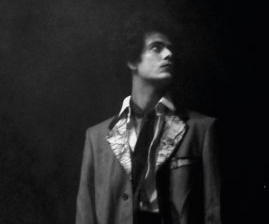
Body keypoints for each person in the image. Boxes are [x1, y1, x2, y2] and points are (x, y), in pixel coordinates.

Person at [76, 12, 221, 224]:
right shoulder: (96, 137)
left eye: (170, 48)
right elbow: (85, 215)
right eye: (156, 48)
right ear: (132, 61)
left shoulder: (201, 129)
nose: (169, 54)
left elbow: (214, 212)